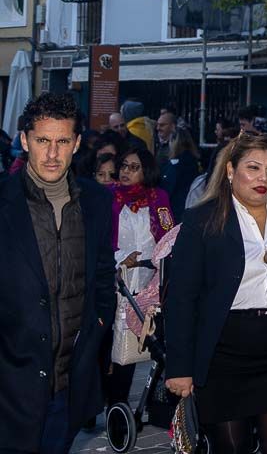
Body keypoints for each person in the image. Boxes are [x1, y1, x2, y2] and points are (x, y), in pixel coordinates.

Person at [165, 132, 267, 454]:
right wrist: (180, 368)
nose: (263, 178)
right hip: (223, 353)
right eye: (253, 168)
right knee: (231, 448)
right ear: (229, 170)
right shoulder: (203, 219)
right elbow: (181, 298)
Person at [0, 92, 115, 454]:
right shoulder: (3, 200)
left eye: (62, 141)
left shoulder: (96, 201)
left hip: (67, 382)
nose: (52, 154)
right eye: (42, 141)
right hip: (8, 381)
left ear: (77, 143)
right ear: (24, 140)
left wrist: (99, 324)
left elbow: (102, 274)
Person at [103, 147, 174, 410]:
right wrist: (121, 258)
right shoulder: (109, 198)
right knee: (108, 344)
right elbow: (100, 239)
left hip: (146, 282)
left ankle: (124, 406)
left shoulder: (159, 199)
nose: (126, 172)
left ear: (146, 170)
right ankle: (106, 400)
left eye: (133, 167)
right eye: (123, 166)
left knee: (135, 343)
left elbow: (168, 237)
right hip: (113, 278)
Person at [162, 128, 202, 220]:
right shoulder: (195, 162)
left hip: (175, 209)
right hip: (191, 206)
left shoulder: (174, 165)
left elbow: (167, 189)